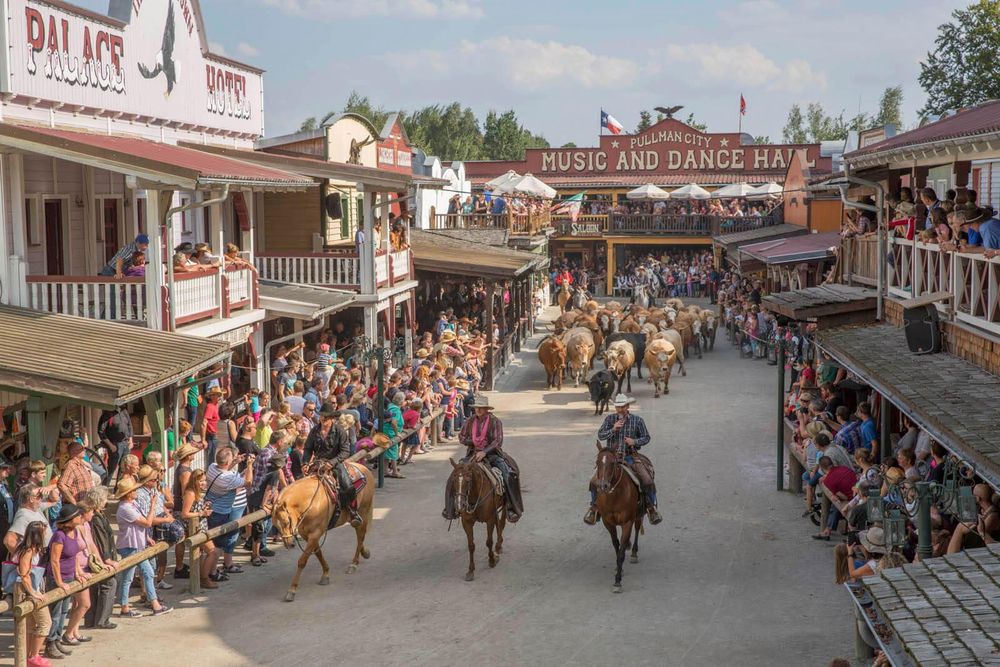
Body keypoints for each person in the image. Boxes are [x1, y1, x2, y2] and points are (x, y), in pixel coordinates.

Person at [443, 396, 523, 523]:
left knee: (509, 474)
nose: (478, 410)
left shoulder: (495, 421)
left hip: (492, 454)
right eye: (476, 408)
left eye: (481, 408)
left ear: (486, 409)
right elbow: (462, 437)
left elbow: (498, 440)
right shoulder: (469, 421)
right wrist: (474, 442)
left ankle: (512, 507)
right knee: (454, 476)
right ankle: (450, 508)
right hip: (473, 453)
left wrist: (484, 451)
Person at [586, 394, 662, 526]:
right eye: (617, 407)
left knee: (647, 481)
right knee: (593, 482)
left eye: (622, 407)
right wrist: (612, 429)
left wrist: (634, 441)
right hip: (610, 458)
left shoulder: (637, 421)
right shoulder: (610, 419)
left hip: (629, 456)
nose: (619, 410)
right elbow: (600, 435)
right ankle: (594, 508)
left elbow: (646, 437)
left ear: (627, 406)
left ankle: (651, 508)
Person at [115, 478, 172, 617]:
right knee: (128, 578)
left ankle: (154, 605)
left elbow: (137, 526)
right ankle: (126, 607)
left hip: (137, 545)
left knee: (148, 573)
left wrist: (146, 538)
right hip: (129, 546)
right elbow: (147, 522)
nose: (136, 492)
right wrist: (153, 505)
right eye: (133, 490)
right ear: (128, 493)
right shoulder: (125, 508)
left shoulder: (132, 504)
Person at [303, 403, 361, 526]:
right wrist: (305, 463)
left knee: (347, 485)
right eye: (322, 417)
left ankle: (353, 511)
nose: (323, 420)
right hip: (318, 462)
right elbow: (308, 448)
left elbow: (345, 451)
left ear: (332, 419)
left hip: (335, 462)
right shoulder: (314, 431)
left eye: (326, 418)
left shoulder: (339, 431)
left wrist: (332, 462)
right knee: (300, 483)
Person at [46, 504, 91, 655]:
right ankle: (51, 642)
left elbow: (75, 555)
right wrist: (59, 582)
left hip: (70, 576)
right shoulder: (59, 535)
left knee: (65, 610)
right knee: (56, 612)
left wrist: (78, 572)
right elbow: (54, 560)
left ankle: (58, 639)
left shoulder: (75, 532)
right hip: (58, 578)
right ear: (69, 520)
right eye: (77, 515)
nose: (80, 517)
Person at [205, 448, 254, 579]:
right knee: (218, 546)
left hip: (210, 509)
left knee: (212, 543)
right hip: (220, 513)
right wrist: (249, 465)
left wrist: (234, 462)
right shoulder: (228, 479)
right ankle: (213, 573)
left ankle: (212, 570)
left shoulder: (211, 468)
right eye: (232, 457)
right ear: (227, 462)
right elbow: (248, 483)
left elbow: (224, 469)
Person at [8, 521, 52, 666]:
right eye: (44, 532)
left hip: (29, 591)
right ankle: (34, 655)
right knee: (45, 623)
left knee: (31, 626)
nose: (46, 535)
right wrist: (33, 593)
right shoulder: (28, 551)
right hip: (27, 592)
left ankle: (27, 658)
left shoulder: (28, 549)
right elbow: (24, 575)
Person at [79, 487, 118, 631]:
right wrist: (106, 559)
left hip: (99, 557)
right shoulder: (95, 518)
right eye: (104, 499)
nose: (106, 501)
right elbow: (99, 540)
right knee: (109, 583)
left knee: (96, 588)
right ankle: (102, 620)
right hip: (98, 558)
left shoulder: (98, 515)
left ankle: (93, 620)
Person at [179, 470, 219, 589]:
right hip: (195, 528)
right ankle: (204, 578)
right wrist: (202, 512)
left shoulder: (198, 492)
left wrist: (205, 505)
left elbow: (195, 508)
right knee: (213, 552)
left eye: (204, 480)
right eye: (200, 481)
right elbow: (184, 514)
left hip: (201, 526)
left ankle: (201, 577)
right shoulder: (190, 493)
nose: (204, 483)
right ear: (194, 481)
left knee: (201, 554)